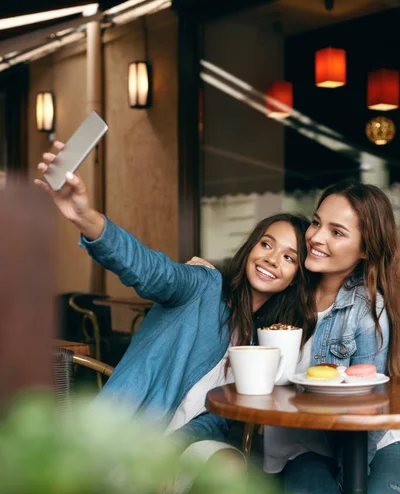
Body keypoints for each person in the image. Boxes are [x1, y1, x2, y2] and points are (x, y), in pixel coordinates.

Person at [35, 142, 314, 455]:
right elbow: (150, 269)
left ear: (296, 279)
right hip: (125, 439)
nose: (272, 259)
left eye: (289, 257)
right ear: (251, 247)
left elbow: (218, 417)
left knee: (229, 464)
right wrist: (86, 218)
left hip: (184, 449)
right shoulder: (203, 287)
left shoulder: (268, 340)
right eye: (266, 244)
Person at [188, 182, 400, 494]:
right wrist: (209, 276)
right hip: (308, 444)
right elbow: (249, 287)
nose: (316, 238)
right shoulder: (291, 284)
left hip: (365, 444)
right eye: (317, 223)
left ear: (366, 248)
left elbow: (367, 417)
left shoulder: (368, 310)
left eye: (337, 232)